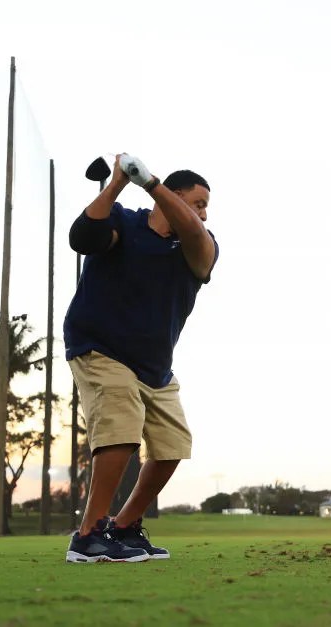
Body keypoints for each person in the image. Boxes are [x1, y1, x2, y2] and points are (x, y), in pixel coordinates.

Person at [64, 153, 218, 563]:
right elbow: (83, 239)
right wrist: (116, 183)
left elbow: (195, 238)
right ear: (174, 196)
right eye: (198, 202)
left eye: (206, 207)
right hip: (101, 348)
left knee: (172, 444)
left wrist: (150, 182)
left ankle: (125, 526)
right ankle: (89, 534)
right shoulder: (125, 223)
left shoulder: (201, 246)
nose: (203, 213)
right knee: (122, 426)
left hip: (154, 365)